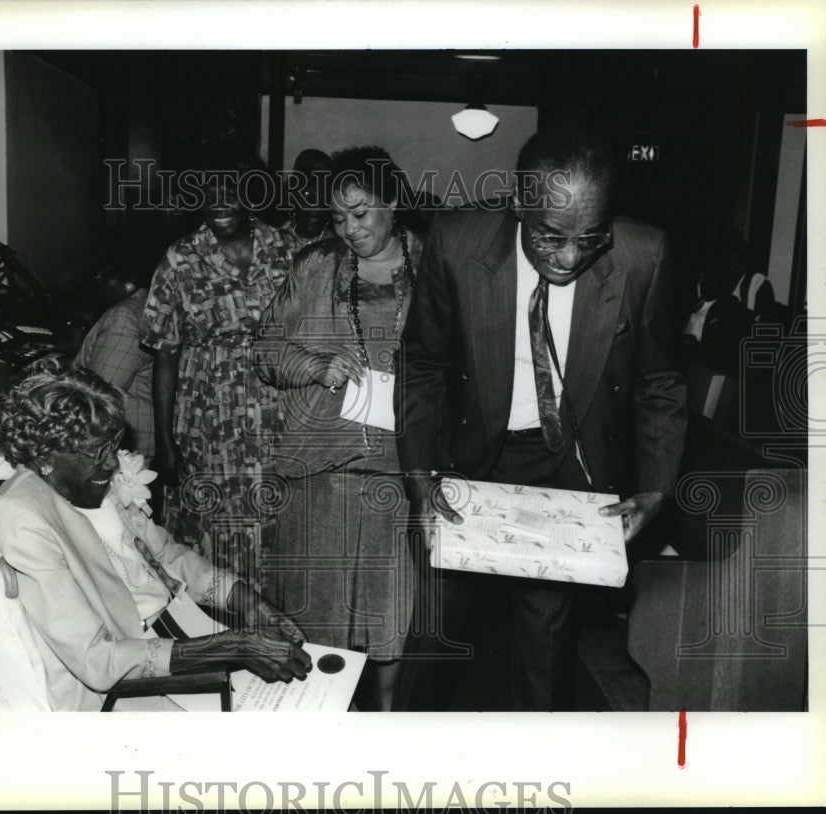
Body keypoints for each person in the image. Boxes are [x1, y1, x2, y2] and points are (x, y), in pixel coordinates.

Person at [393, 127, 687, 712]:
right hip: (470, 465)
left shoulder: (642, 253)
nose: (571, 258)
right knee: (436, 638)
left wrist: (655, 487)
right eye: (551, 237)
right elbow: (422, 364)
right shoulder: (456, 243)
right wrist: (420, 478)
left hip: (570, 471)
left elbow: (660, 381)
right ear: (518, 205)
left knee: (544, 649)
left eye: (590, 239)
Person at [0, 358, 310, 712]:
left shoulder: (88, 483)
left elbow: (167, 556)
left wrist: (245, 600)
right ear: (48, 456)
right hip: (129, 697)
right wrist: (232, 647)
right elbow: (97, 660)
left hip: (178, 642)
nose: (113, 464)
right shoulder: (19, 516)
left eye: (114, 445)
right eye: (99, 453)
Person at [255, 146, 423, 710]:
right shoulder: (314, 267)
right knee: (318, 606)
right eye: (337, 217)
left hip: (401, 468)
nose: (349, 230)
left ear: (394, 203)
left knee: (389, 604)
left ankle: (385, 719)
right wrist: (315, 365)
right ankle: (320, 718)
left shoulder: (435, 264)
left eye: (361, 214)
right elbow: (265, 348)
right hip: (321, 466)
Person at [140, 154, 301, 584]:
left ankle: (274, 621)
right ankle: (219, 628)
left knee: (275, 512)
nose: (218, 203)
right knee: (214, 522)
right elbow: (165, 355)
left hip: (278, 412)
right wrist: (165, 443)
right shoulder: (181, 259)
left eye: (229, 191)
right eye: (207, 194)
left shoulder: (288, 250)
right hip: (207, 417)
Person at [75, 258, 155, 460]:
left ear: (129, 281)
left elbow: (97, 395)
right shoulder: (143, 307)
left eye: (104, 273)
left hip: (126, 451)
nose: (96, 279)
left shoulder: (125, 316)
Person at [281, 148, 333, 247]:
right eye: (309, 197)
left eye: (324, 199)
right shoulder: (272, 241)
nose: (317, 207)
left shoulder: (339, 247)